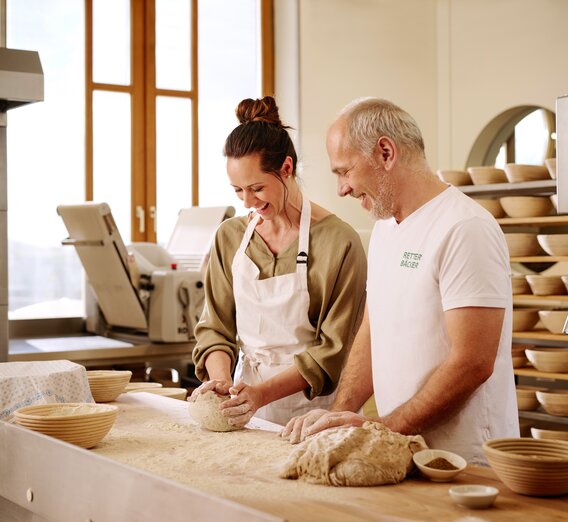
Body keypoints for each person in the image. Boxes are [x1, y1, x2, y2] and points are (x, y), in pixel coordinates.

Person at [281, 97, 519, 464]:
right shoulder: (384, 231)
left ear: (386, 153)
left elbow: (473, 362)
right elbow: (373, 329)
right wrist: (340, 415)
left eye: (344, 171)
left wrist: (381, 430)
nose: (342, 188)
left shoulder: (464, 228)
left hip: (464, 459)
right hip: (403, 447)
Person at [190, 96, 367, 427]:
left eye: (256, 188)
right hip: (243, 404)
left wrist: (261, 396)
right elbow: (216, 326)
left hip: (315, 411)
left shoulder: (338, 242)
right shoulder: (229, 238)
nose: (248, 202)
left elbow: (336, 349)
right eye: (238, 191)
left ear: (286, 169)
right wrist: (221, 383)